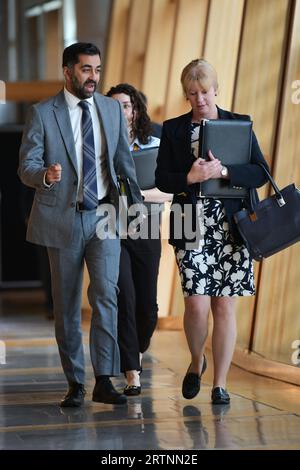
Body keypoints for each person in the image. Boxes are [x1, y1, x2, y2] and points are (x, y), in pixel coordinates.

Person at [18, 42, 144, 407]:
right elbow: (26, 167)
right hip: (63, 218)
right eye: (87, 69)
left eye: (98, 70)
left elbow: (124, 165)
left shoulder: (109, 109)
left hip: (104, 215)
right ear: (68, 70)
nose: (94, 77)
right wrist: (46, 174)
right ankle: (75, 381)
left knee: (106, 295)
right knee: (68, 305)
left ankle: (104, 379)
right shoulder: (43, 114)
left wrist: (133, 209)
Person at [155, 59, 269, 405]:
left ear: (216, 89)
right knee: (195, 304)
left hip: (232, 226)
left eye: (204, 92)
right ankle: (196, 361)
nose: (200, 99)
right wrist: (189, 178)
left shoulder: (238, 125)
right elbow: (161, 179)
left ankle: (220, 384)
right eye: (192, 93)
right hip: (190, 222)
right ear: (186, 95)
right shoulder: (174, 129)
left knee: (224, 308)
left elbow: (261, 172)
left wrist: (226, 171)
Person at [106, 83, 171, 395]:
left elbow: (171, 190)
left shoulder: (155, 140)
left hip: (146, 229)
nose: (121, 111)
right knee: (125, 298)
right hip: (111, 229)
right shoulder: (100, 142)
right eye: (115, 105)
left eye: (126, 105)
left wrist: (138, 194)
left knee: (148, 307)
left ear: (135, 110)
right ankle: (132, 371)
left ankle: (138, 348)